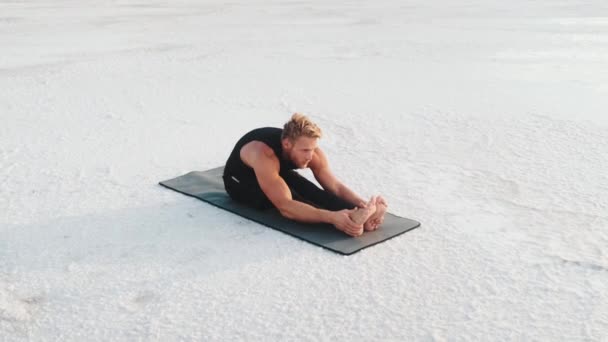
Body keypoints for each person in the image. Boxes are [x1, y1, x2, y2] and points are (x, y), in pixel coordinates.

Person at [222, 113, 387, 237]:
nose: (310, 155)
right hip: (239, 182)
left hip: (275, 172)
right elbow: (286, 207)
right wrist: (332, 218)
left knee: (311, 191)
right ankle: (347, 219)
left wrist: (362, 204)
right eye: (305, 150)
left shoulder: (307, 149)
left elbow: (334, 186)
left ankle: (358, 216)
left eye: (313, 149)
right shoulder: (264, 153)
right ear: (287, 144)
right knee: (288, 200)